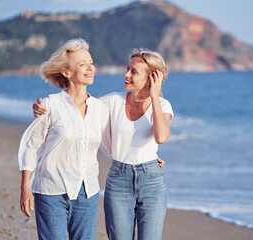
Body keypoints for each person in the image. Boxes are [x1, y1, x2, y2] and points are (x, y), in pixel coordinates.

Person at [33, 49, 173, 240]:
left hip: (152, 180)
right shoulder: (110, 101)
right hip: (118, 179)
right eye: (127, 68)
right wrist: (44, 107)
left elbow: (161, 136)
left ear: (150, 79)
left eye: (134, 72)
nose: (126, 74)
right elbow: (76, 111)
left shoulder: (163, 105)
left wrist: (155, 96)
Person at [18, 38, 110, 240]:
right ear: (67, 72)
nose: (90, 68)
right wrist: (25, 187)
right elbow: (30, 146)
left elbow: (111, 143)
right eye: (82, 64)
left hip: (87, 191)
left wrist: (147, 158)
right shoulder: (50, 105)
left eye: (91, 63)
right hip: (51, 190)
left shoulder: (100, 109)